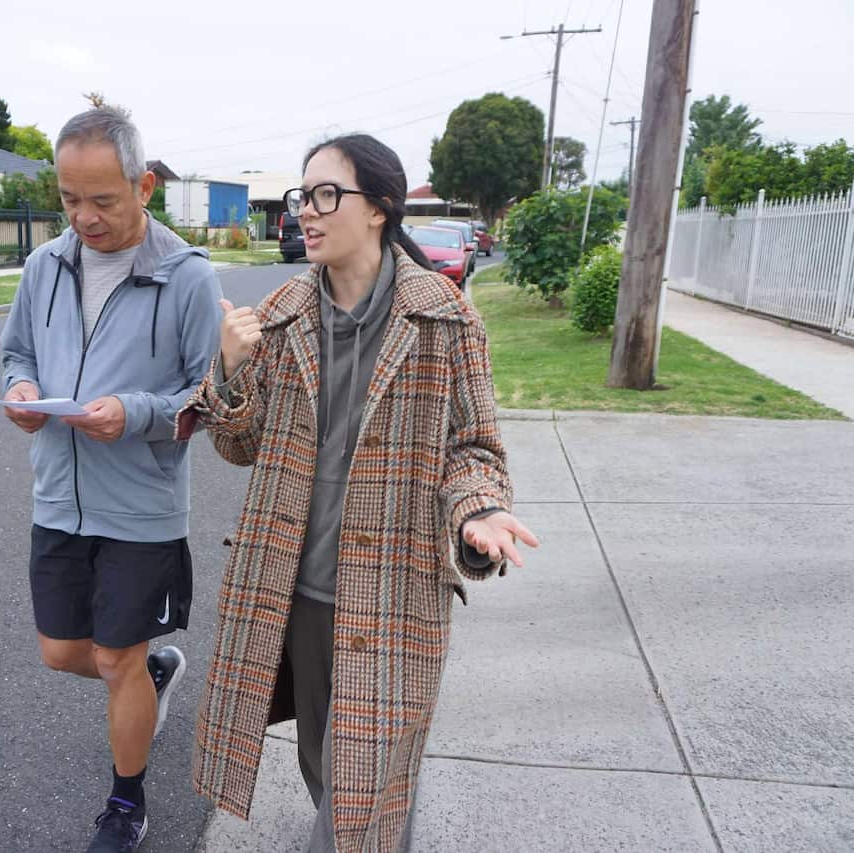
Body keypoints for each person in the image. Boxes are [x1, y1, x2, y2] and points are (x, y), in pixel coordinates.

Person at [175, 133, 539, 852]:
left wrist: (479, 507)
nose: (305, 212)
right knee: (325, 765)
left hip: (396, 591)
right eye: (302, 196)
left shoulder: (444, 317)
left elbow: (474, 446)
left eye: (325, 195)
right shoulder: (279, 315)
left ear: (379, 208)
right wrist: (231, 370)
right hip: (296, 587)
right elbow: (237, 445)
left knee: (363, 790)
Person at [0, 106, 223, 853]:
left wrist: (132, 413)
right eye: (68, 199)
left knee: (114, 655)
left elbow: (207, 400)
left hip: (142, 507)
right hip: (58, 495)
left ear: (145, 185)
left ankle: (126, 805)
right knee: (64, 652)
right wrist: (25, 393)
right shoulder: (43, 267)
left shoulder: (188, 276)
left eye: (102, 199)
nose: (83, 218)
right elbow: (17, 354)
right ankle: (152, 676)